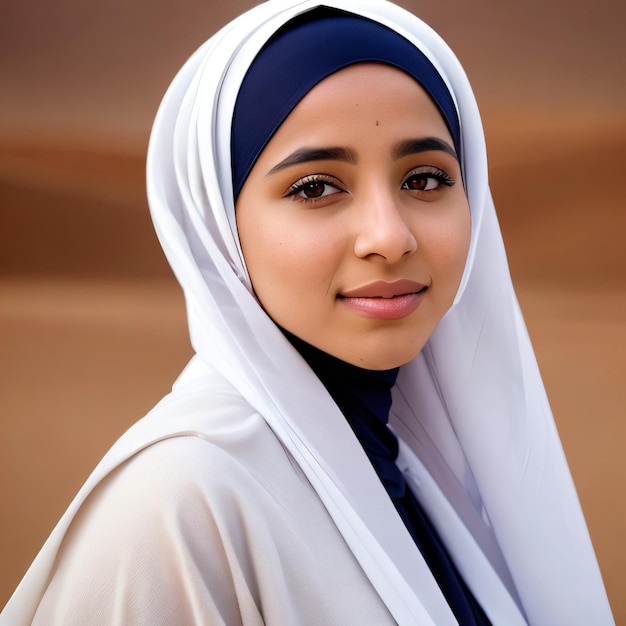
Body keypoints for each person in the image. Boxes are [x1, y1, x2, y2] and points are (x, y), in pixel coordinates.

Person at [1, 0, 613, 624]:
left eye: (425, 179)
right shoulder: (181, 501)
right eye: (316, 187)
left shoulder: (414, 467)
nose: (389, 236)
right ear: (222, 226)